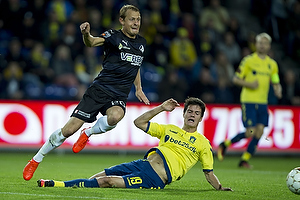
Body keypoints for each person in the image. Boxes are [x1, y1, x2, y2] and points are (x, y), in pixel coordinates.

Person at [23, 4, 150, 181]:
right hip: (100, 90)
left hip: (118, 94)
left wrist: (138, 88)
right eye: (132, 19)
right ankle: (36, 160)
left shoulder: (142, 43)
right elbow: (92, 42)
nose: (136, 23)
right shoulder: (113, 36)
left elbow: (135, 65)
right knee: (68, 131)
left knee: (115, 116)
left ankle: (88, 133)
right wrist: (86, 34)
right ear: (122, 21)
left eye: (138, 19)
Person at [37, 98, 232, 191]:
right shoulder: (170, 129)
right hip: (142, 164)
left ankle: (56, 184)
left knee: (108, 181)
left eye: (197, 113)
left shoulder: (203, 144)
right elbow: (139, 123)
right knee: (101, 175)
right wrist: (161, 108)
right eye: (190, 111)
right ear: (184, 113)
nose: (192, 115)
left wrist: (220, 188)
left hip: (155, 178)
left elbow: (209, 172)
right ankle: (76, 189)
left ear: (201, 118)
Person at [217, 33, 282, 168]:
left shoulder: (272, 64)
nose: (262, 45)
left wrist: (277, 88)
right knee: (250, 132)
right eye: (260, 42)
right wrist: (249, 84)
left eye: (265, 43)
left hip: (263, 102)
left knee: (259, 132)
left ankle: (244, 160)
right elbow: (235, 79)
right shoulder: (248, 61)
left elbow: (275, 80)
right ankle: (225, 144)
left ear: (269, 46)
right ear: (256, 44)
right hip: (249, 101)